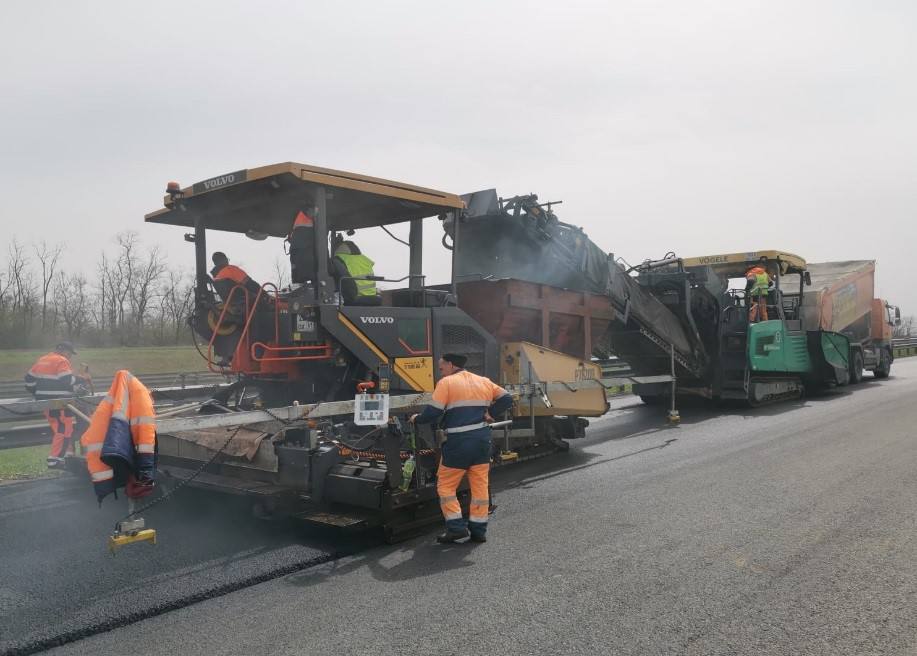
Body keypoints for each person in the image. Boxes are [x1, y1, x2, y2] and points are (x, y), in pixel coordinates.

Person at [410, 353, 513, 544]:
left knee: (446, 486)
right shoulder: (483, 381)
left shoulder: (447, 383)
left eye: (441, 368)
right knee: (480, 485)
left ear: (450, 365)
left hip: (458, 442)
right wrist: (490, 413)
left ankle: (456, 528)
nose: (440, 372)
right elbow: (507, 399)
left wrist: (417, 419)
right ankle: (478, 530)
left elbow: (433, 412)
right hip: (482, 440)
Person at [24, 342, 89, 468]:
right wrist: (82, 379)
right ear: (63, 350)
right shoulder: (61, 360)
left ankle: (65, 455)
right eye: (70, 353)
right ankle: (54, 459)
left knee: (59, 428)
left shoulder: (42, 359)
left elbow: (28, 380)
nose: (70, 356)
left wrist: (37, 392)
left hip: (45, 402)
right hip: (60, 402)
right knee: (64, 429)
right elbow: (67, 380)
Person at [331, 239, 381, 306]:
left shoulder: (338, 260)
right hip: (372, 296)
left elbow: (345, 282)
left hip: (354, 297)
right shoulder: (364, 259)